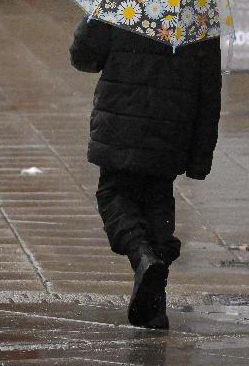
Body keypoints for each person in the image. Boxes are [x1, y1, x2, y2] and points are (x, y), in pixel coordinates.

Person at [69, 18, 222, 329]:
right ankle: (153, 305)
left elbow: (84, 56)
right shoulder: (198, 12)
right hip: (173, 127)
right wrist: (200, 156)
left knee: (113, 193)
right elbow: (209, 89)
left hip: (121, 122)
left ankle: (142, 254)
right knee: (158, 199)